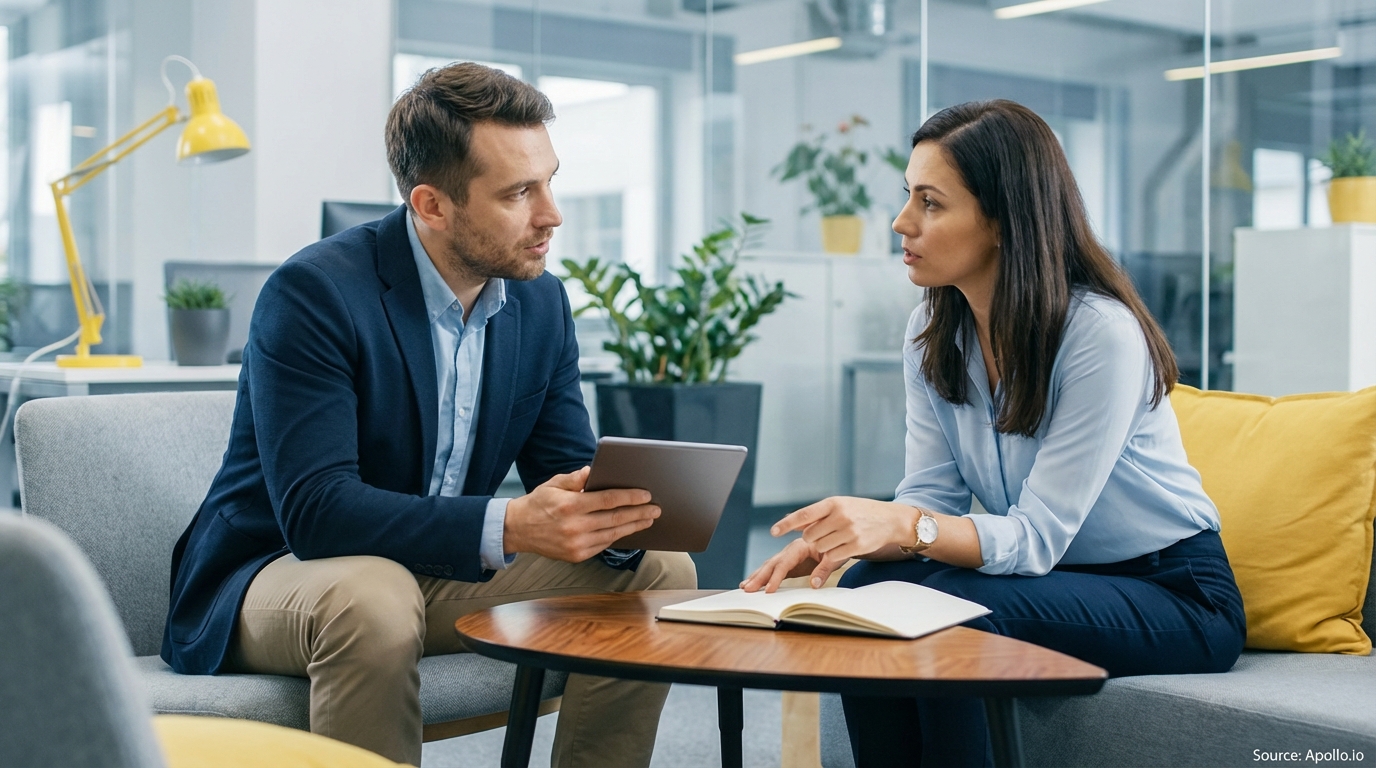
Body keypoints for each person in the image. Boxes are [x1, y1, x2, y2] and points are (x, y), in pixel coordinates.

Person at [161, 62, 696, 767]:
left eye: (549, 180)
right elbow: (318, 512)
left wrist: (614, 514)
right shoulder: (314, 293)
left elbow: (567, 470)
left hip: (428, 567)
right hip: (274, 573)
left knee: (661, 570)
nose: (551, 214)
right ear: (432, 205)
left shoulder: (539, 304)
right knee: (372, 595)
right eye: (518, 193)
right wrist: (509, 523)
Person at [742, 99, 1246, 767]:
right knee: (865, 588)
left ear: (1005, 221)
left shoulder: (1100, 336)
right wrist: (850, 537)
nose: (900, 223)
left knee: (959, 607)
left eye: (930, 203)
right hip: (1055, 579)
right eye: (907, 198)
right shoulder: (934, 331)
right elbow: (933, 501)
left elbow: (1035, 537)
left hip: (1174, 592)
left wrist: (904, 527)